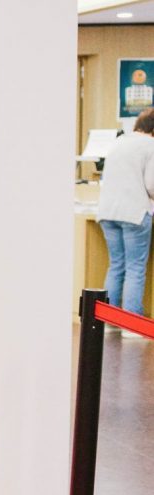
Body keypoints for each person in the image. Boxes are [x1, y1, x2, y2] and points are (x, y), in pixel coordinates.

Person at [97, 107, 154, 337]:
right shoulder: (149, 146)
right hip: (134, 213)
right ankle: (132, 325)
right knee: (135, 268)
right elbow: (151, 185)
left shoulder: (118, 143)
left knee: (117, 265)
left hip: (108, 213)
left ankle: (108, 320)